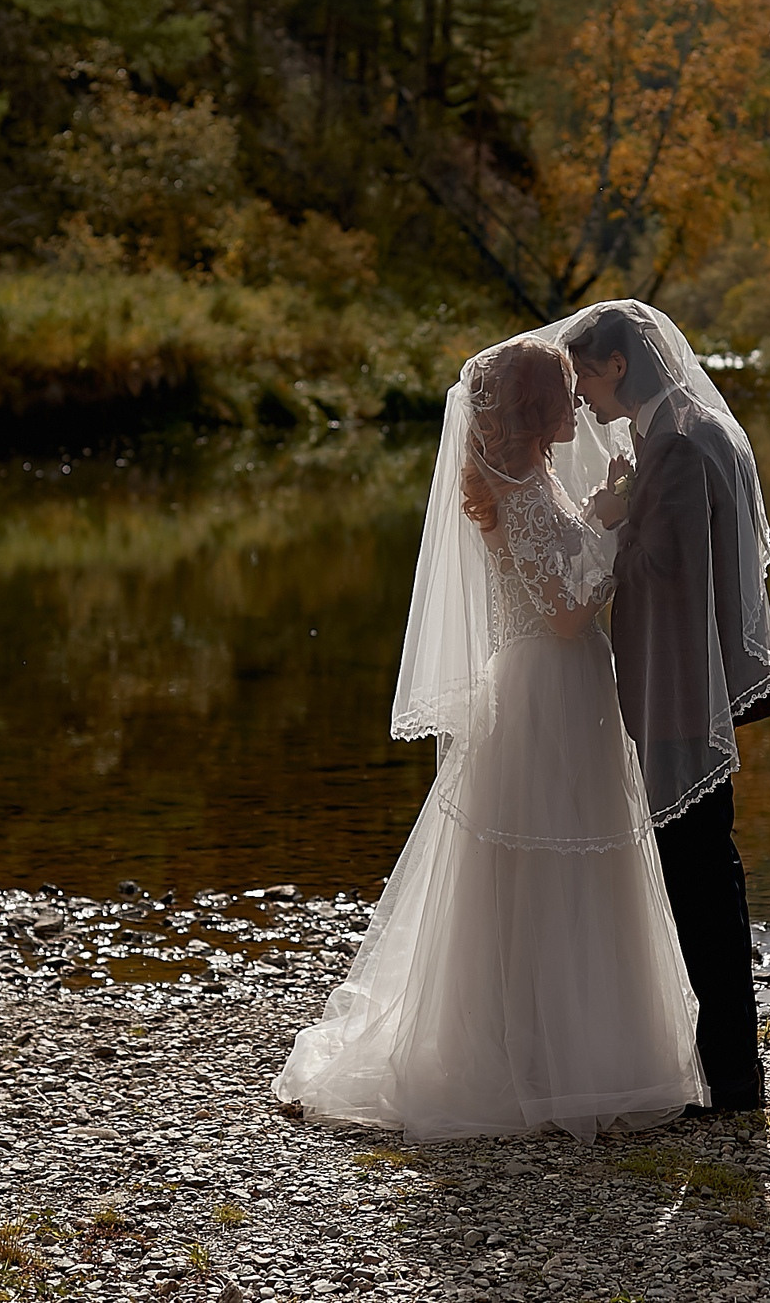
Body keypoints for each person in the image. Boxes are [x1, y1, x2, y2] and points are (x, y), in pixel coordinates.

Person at [271, 334, 706, 1141]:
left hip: (568, 687)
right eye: (564, 394)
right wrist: (611, 526)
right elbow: (567, 610)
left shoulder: (532, 476)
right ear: (536, 410)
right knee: (537, 863)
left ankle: (560, 1044)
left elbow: (564, 569)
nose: (579, 404)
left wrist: (598, 516)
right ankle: (529, 1061)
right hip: (543, 688)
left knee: (573, 864)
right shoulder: (512, 488)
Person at [563, 301, 770, 1114]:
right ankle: (726, 1070)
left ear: (617, 364)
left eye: (585, 373)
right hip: (687, 683)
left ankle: (732, 1081)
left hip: (684, 693)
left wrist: (612, 523)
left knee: (701, 884)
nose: (580, 394)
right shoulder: (675, 428)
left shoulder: (679, 441)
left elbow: (672, 568)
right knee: (702, 876)